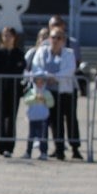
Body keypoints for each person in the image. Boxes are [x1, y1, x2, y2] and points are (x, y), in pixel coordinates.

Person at [31, 27, 81, 160]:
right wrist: (48, 76)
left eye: (59, 38)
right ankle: (57, 149)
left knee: (68, 119)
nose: (55, 40)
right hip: (47, 92)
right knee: (53, 122)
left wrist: (55, 77)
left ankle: (74, 148)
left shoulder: (69, 53)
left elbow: (70, 69)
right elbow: (36, 66)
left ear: (63, 40)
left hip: (64, 92)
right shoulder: (42, 52)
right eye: (53, 37)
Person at [0, 26, 26, 158]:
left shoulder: (19, 53)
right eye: (5, 35)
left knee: (11, 118)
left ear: (14, 37)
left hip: (14, 90)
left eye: (9, 35)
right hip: (0, 89)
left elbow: (21, 69)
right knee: (0, 117)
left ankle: (8, 148)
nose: (7, 38)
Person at [21, 70, 54, 160]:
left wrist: (45, 100)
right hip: (33, 118)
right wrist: (34, 98)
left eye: (41, 81)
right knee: (31, 136)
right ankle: (28, 152)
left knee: (43, 137)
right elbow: (26, 101)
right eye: (37, 81)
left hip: (43, 118)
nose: (39, 83)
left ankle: (43, 152)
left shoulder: (46, 93)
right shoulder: (31, 92)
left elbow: (51, 104)